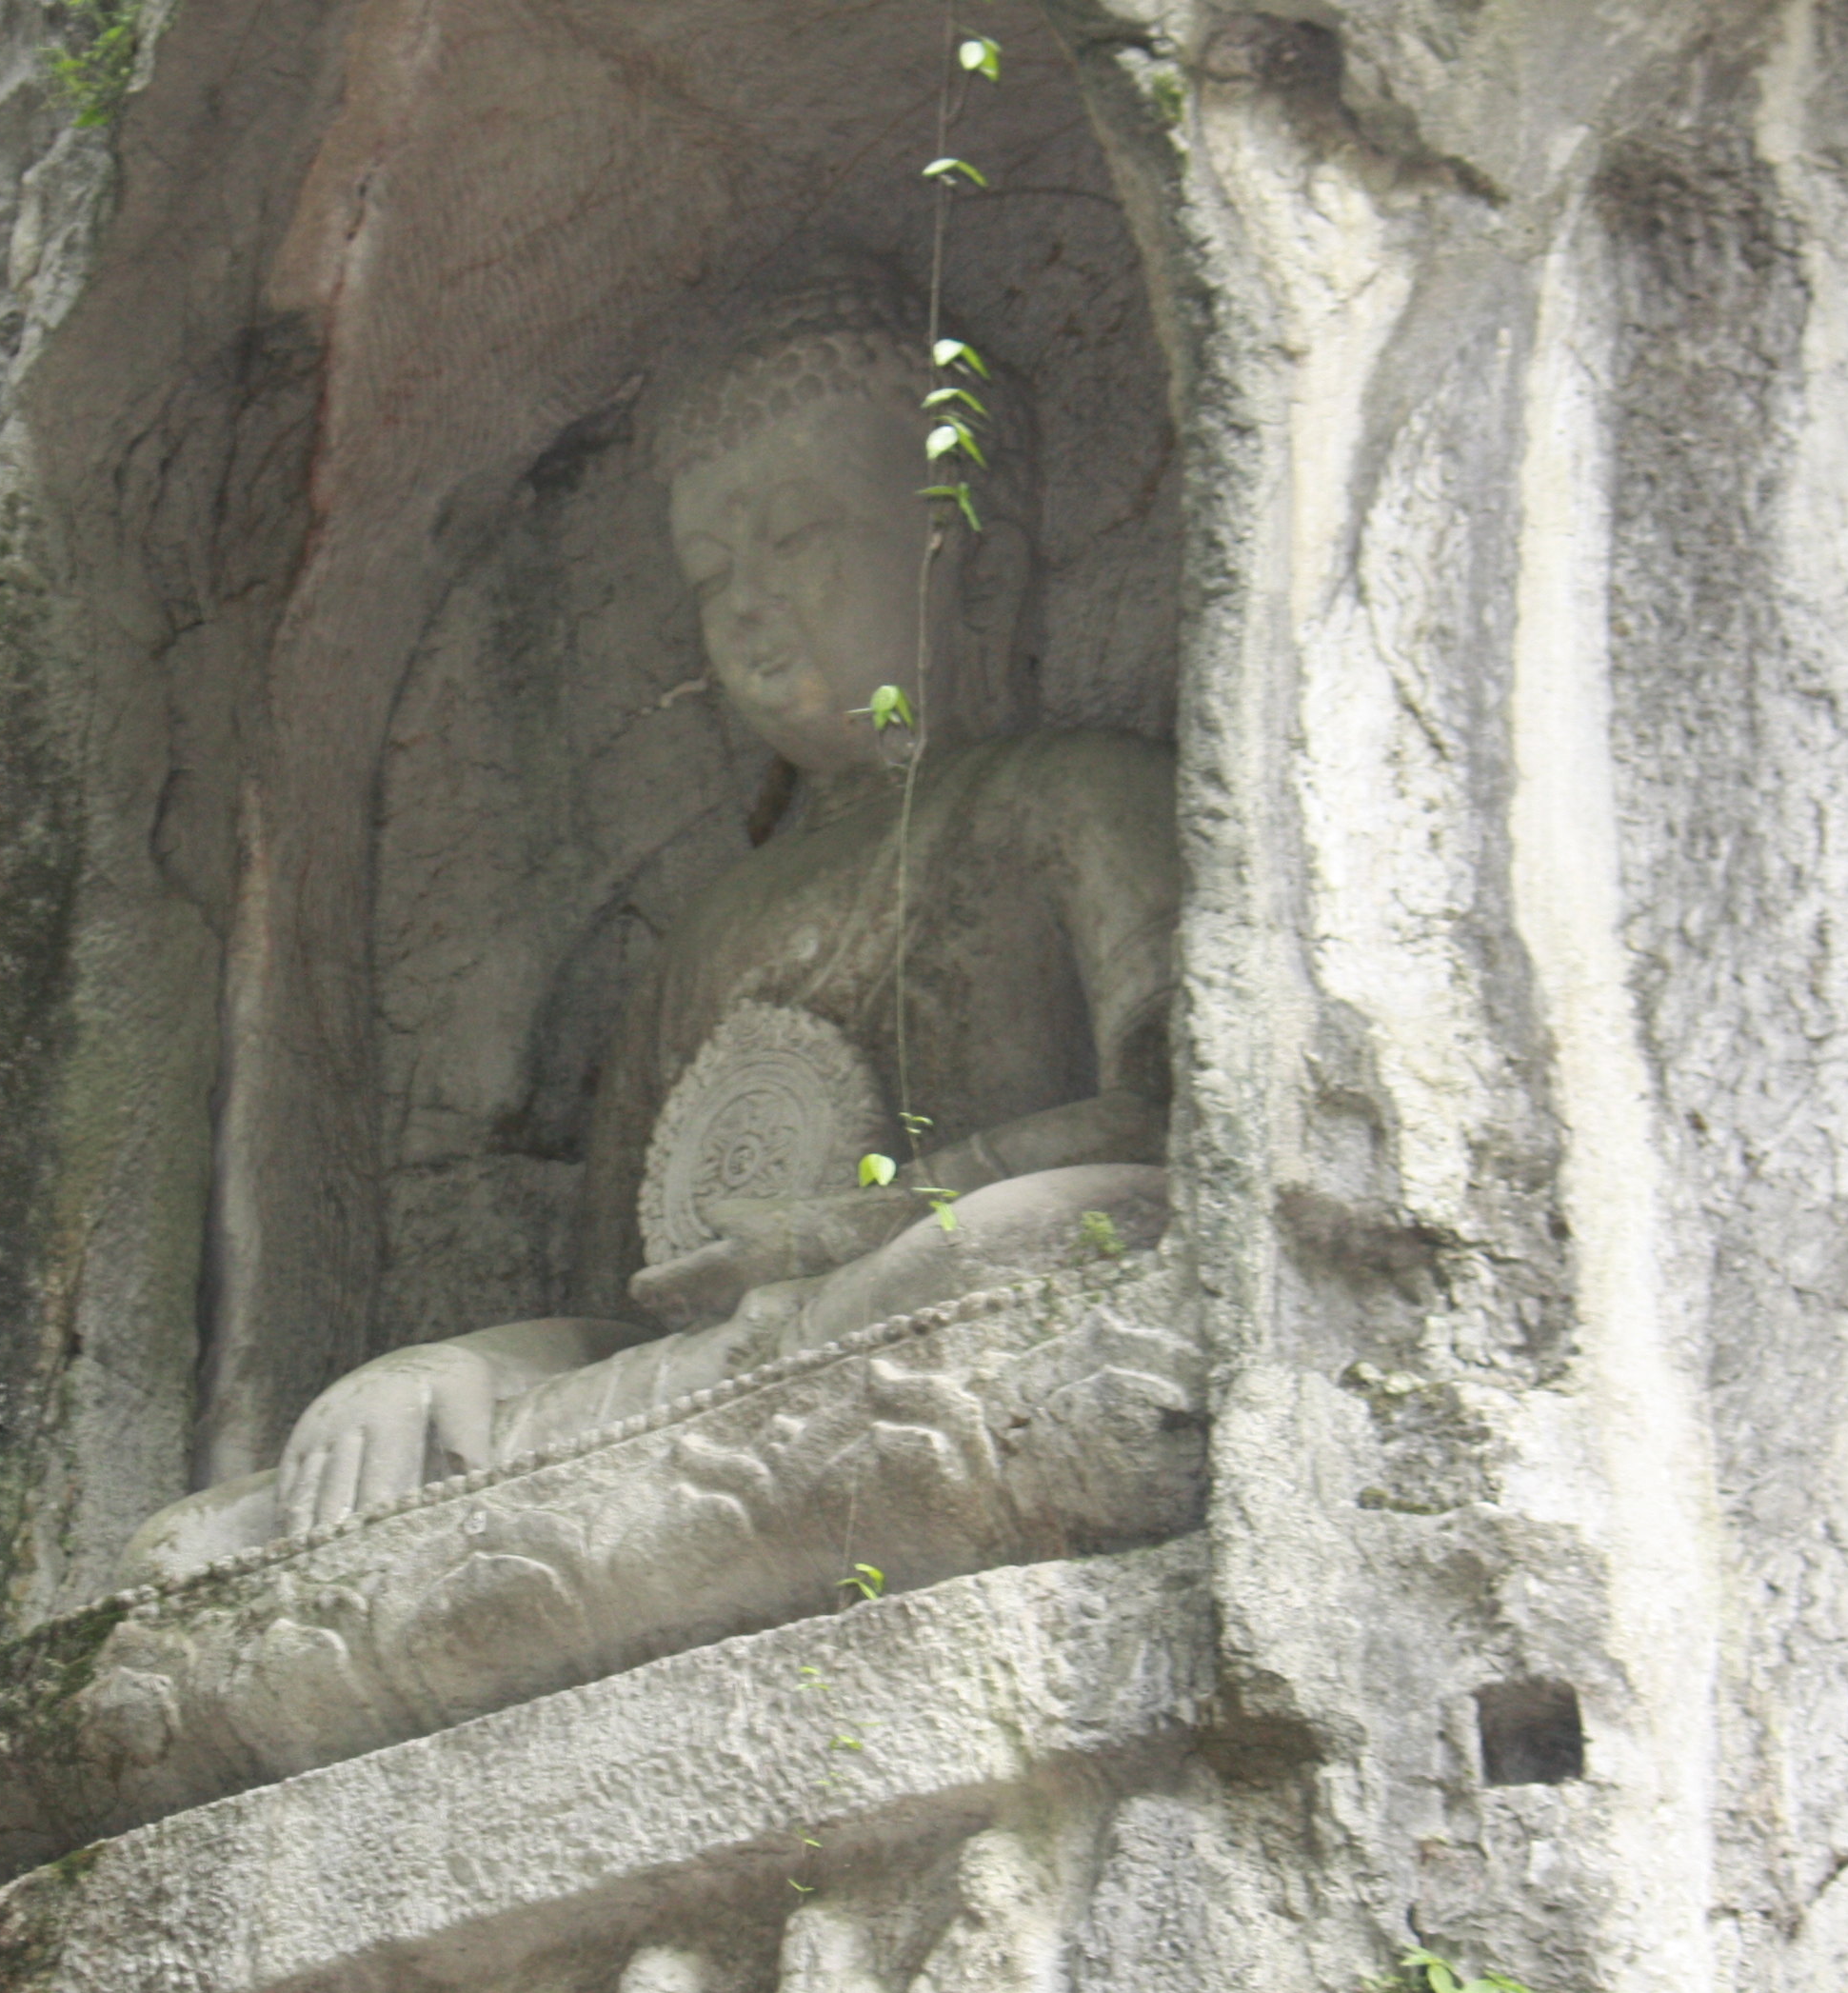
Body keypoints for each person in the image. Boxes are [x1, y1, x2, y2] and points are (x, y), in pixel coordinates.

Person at [129, 287, 1179, 1580]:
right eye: (712, 576)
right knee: (190, 1554)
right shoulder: (712, 929)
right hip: (729, 1388)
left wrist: (857, 1231)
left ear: (980, 563)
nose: (745, 607)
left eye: (796, 538)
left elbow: (1172, 1131)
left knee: (1030, 1235)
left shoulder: (1074, 795)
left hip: (932, 1313)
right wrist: (445, 1368)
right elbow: (630, 1316)